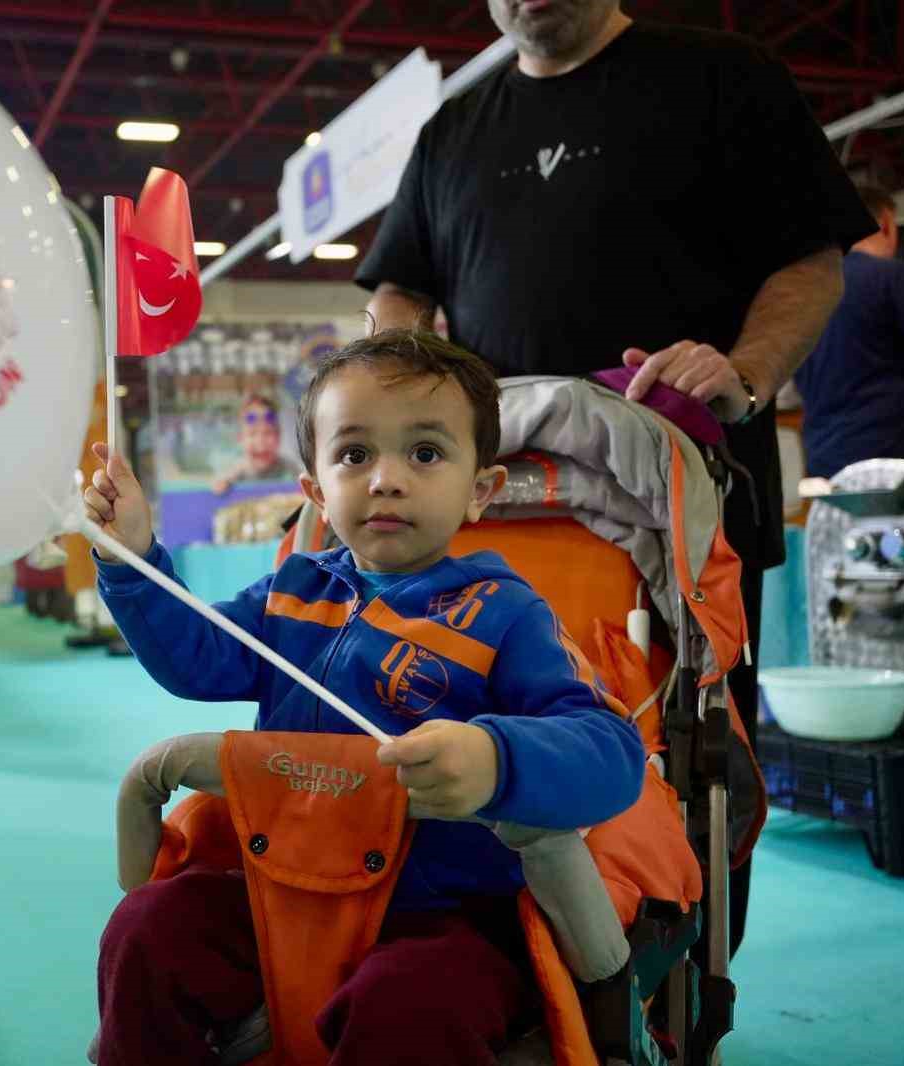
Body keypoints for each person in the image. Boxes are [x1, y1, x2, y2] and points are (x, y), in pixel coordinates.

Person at [355, 0, 875, 957]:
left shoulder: (725, 78)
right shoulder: (454, 130)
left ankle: (688, 991)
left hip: (689, 518)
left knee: (689, 761)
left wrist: (744, 372)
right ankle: (506, 979)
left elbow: (811, 261)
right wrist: (401, 392)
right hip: (497, 523)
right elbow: (401, 286)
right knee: (483, 752)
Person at [84, 331, 645, 1066]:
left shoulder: (506, 614)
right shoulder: (292, 594)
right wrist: (132, 559)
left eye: (425, 453)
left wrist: (496, 758)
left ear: (480, 491)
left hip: (446, 914)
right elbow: (196, 658)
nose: (385, 479)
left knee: (409, 1009)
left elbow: (611, 751)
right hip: (279, 885)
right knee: (148, 929)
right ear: (317, 492)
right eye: (353, 454)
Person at [793, 184, 904, 478]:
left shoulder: (804, 293)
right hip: (891, 458)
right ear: (886, 223)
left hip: (824, 457)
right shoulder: (894, 279)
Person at [209, 393, 298, 495]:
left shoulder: (288, 467)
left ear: (279, 437)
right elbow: (218, 483)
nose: (260, 441)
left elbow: (306, 481)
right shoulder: (237, 470)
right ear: (240, 439)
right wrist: (222, 482)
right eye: (252, 434)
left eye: (268, 433)